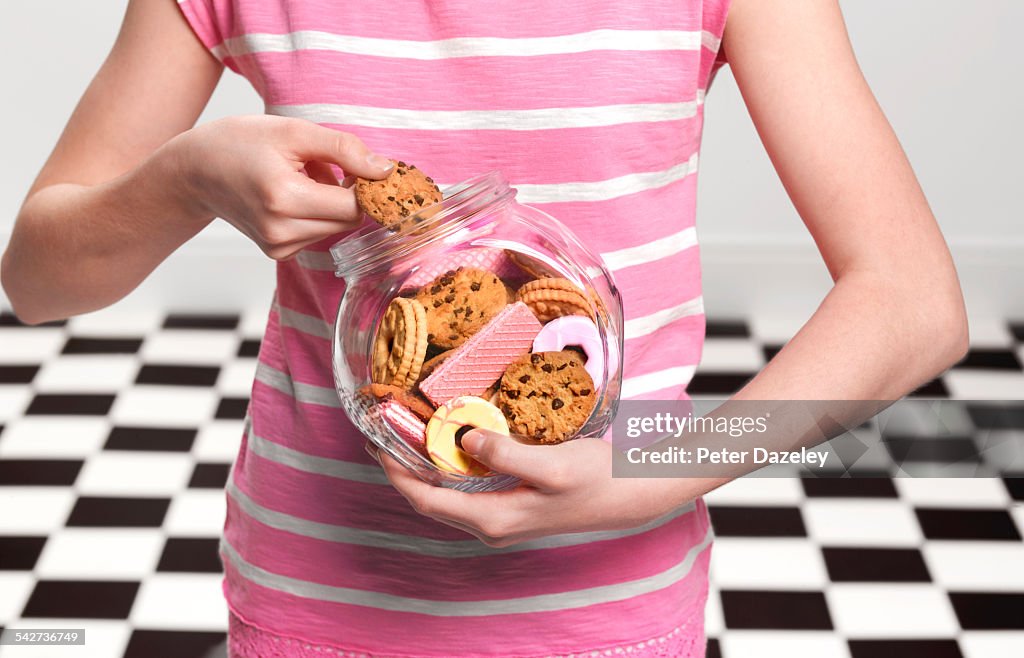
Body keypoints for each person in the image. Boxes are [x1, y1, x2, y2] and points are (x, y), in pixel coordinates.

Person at [0, 0, 968, 656]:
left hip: (605, 609)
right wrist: (186, 180)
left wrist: (653, 469)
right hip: (320, 600)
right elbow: (39, 283)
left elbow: (912, 302)